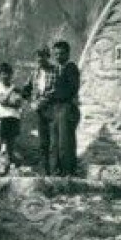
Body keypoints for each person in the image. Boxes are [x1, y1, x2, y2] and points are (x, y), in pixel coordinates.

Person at [45, 40, 81, 176]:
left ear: (68, 54)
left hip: (66, 107)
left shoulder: (71, 68)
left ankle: (68, 172)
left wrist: (54, 94)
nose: (58, 56)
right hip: (55, 108)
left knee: (65, 142)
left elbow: (72, 89)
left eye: (61, 54)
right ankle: (55, 172)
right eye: (56, 54)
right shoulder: (55, 70)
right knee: (54, 143)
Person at [24, 46, 57, 175]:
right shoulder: (35, 73)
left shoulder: (55, 71)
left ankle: (56, 170)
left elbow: (56, 89)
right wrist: (30, 102)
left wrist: (44, 100)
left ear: (47, 57)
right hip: (40, 112)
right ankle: (45, 170)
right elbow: (26, 89)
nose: (39, 59)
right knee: (43, 141)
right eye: (37, 56)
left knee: (54, 141)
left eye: (42, 56)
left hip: (53, 110)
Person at [0, 61, 25, 176]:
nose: (6, 76)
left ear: (11, 75)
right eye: (4, 73)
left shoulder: (17, 90)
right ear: (0, 75)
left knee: (10, 148)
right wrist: (11, 90)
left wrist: (9, 100)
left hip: (14, 119)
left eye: (8, 74)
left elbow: (18, 103)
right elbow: (3, 101)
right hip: (1, 119)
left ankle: (6, 172)